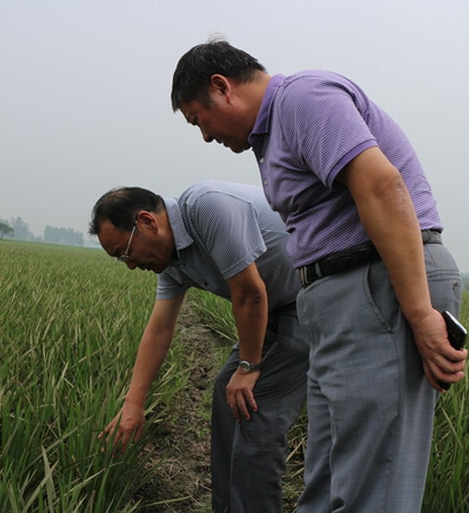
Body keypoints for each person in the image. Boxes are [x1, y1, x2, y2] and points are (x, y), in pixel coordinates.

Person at [171, 40, 468, 512]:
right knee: (329, 483)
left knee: (372, 487)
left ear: (222, 87)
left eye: (197, 119)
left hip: (377, 285)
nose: (205, 135)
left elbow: (381, 185)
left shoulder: (302, 99)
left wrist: (419, 314)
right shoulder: (271, 137)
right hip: (338, 298)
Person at [89, 180, 309, 513]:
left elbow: (250, 293)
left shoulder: (206, 207)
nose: (130, 264)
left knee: (255, 408)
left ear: (147, 222)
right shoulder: (172, 262)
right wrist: (133, 404)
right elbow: (160, 328)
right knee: (226, 392)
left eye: (126, 252)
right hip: (274, 309)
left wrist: (249, 366)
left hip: (308, 298)